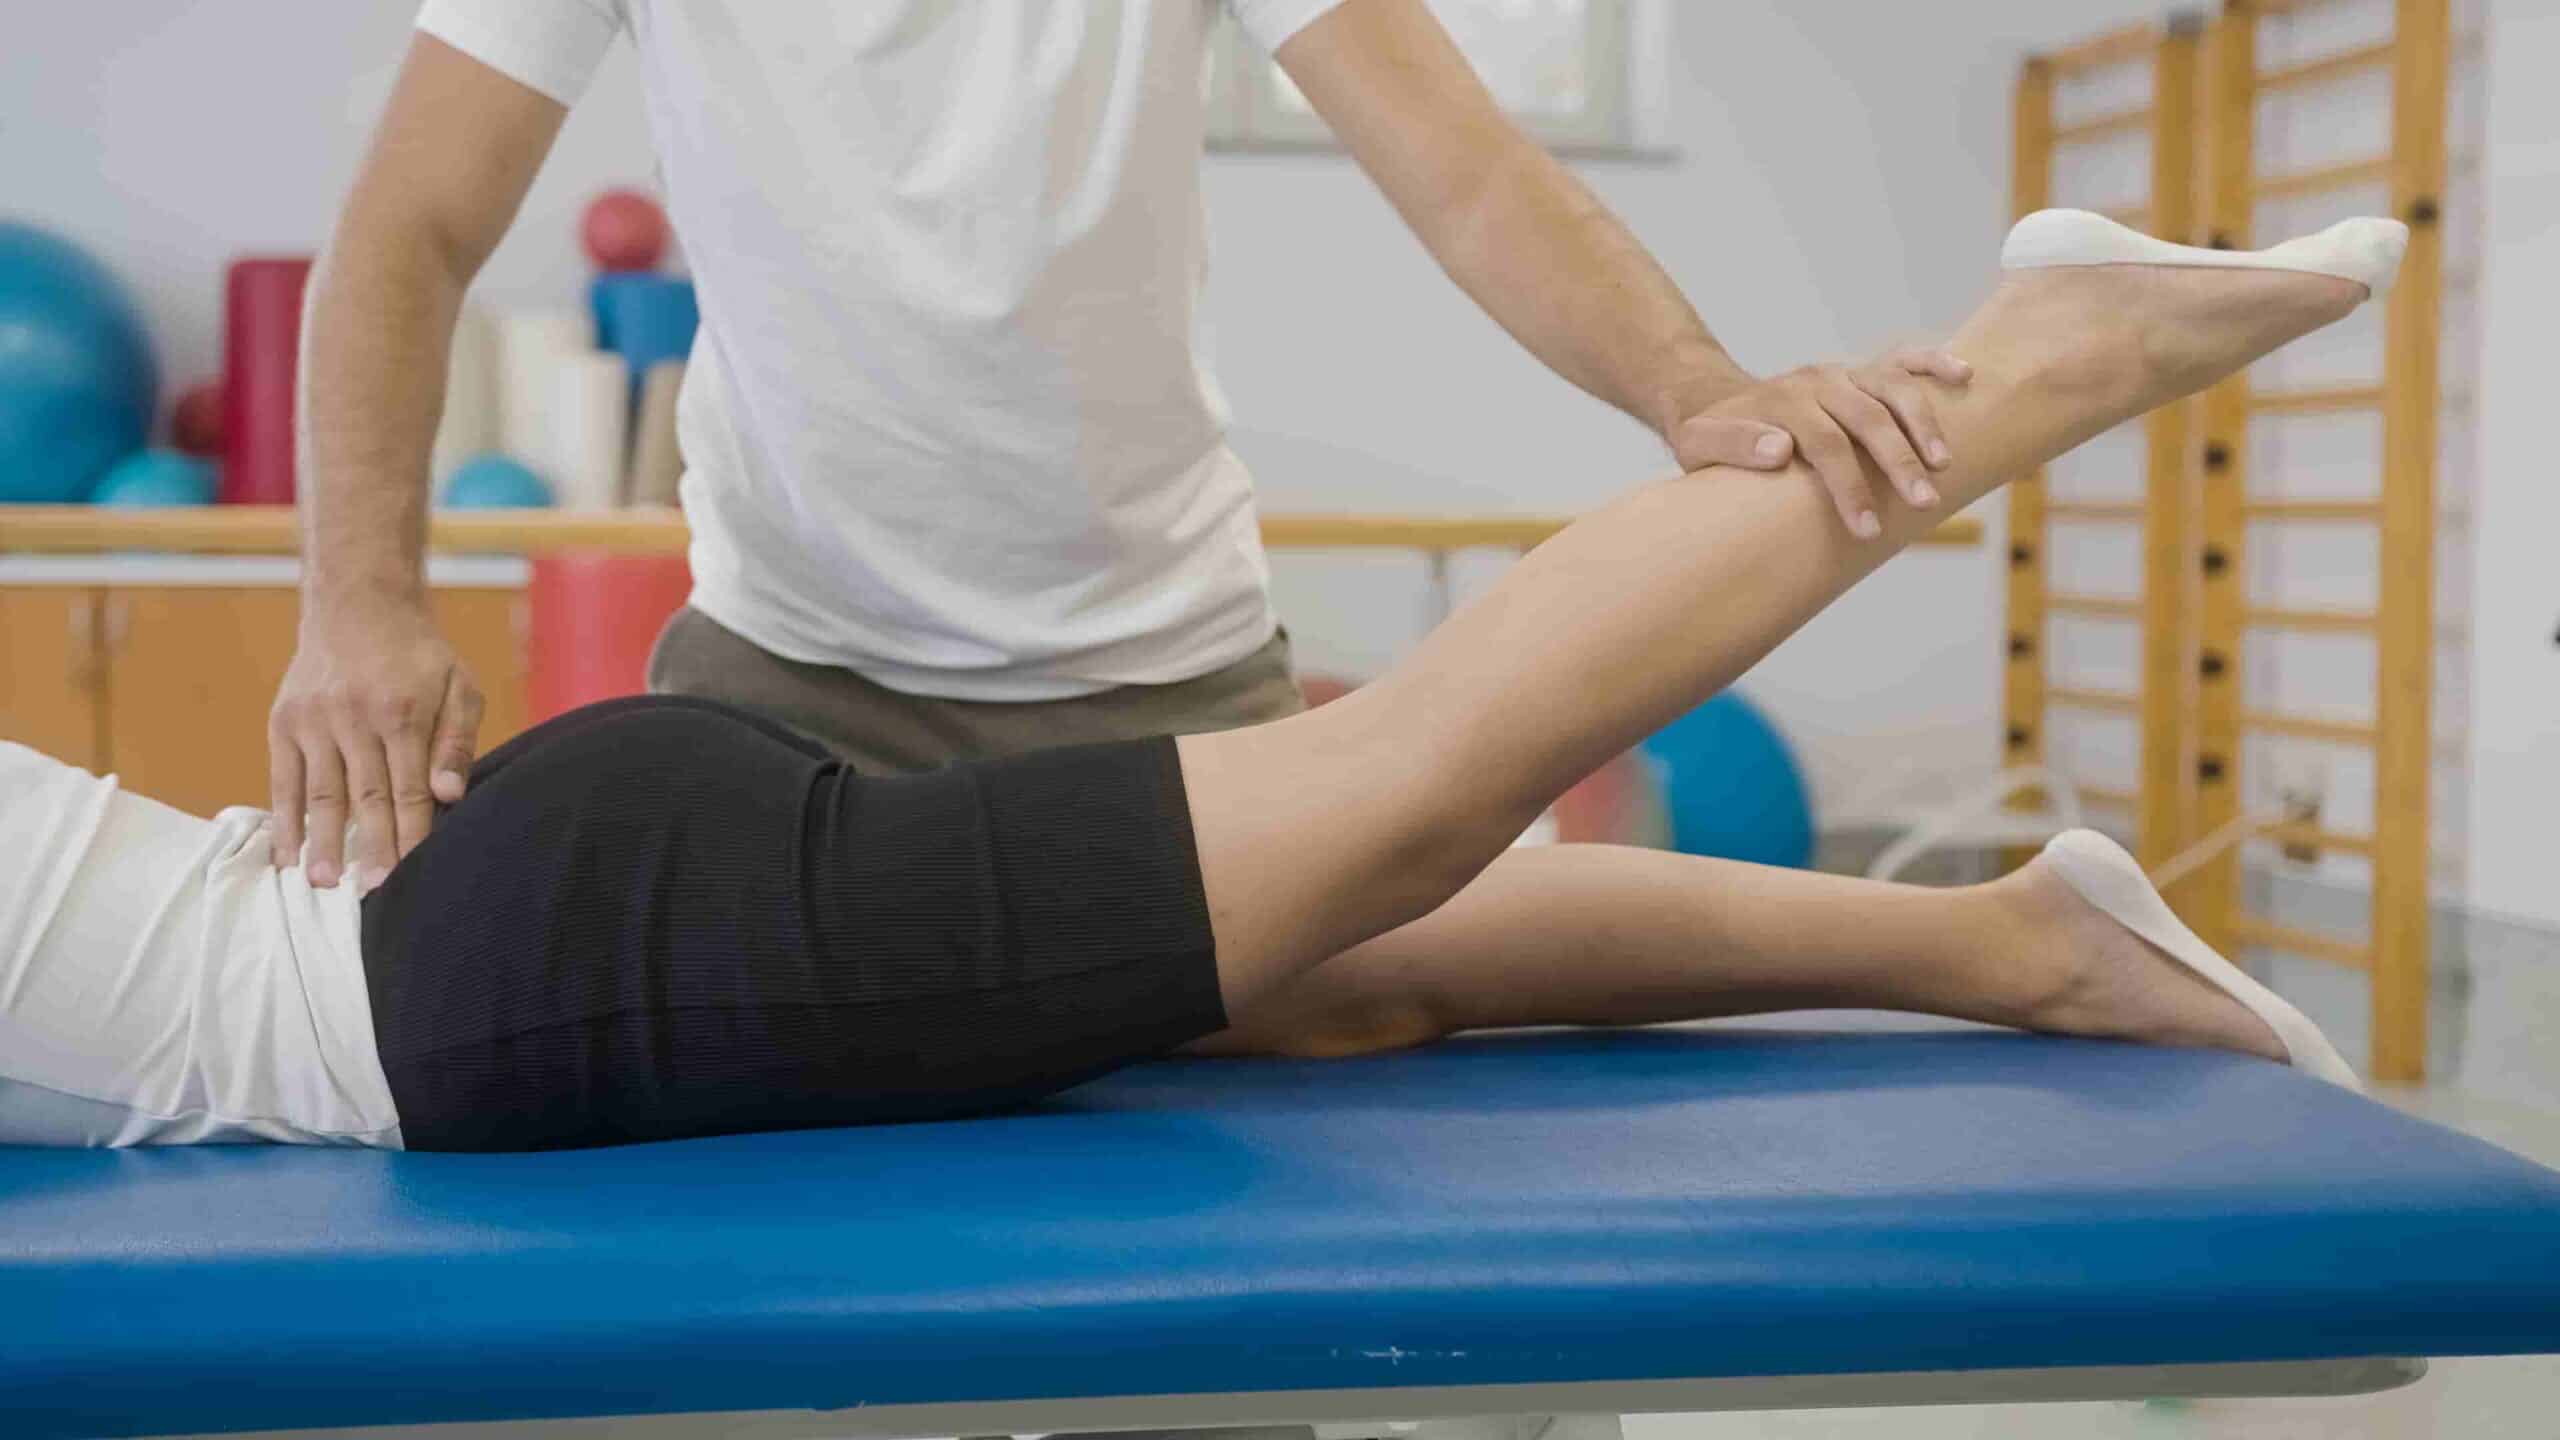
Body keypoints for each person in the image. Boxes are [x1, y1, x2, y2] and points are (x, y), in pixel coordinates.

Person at [3, 212, 2396, 1151]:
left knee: (1406, 785)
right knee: (1338, 952)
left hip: (531, 977)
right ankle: (2012, 946)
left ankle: (2036, 360)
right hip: (525, 919)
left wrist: (1689, 382)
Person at [271, 0, 1982, 894]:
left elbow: (1468, 172)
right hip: (785, 674)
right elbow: (411, 224)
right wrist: (357, 607)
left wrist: (1691, 382)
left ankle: (1982, 942)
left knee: (1319, 1096)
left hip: (1161, 679)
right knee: (792, 1225)